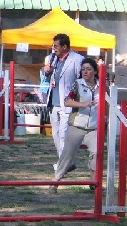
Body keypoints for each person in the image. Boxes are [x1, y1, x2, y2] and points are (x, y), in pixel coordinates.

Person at [49, 57, 100, 193]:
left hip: (94, 128)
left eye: (89, 69)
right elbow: (67, 101)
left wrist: (105, 117)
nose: (85, 72)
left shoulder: (102, 86)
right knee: (67, 155)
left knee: (96, 153)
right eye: (83, 69)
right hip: (76, 126)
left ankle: (94, 182)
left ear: (95, 71)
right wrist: (82, 104)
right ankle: (55, 182)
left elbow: (106, 103)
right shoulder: (77, 84)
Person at [45, 33, 84, 170]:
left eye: (56, 46)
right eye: (53, 45)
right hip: (53, 102)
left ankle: (64, 164)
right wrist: (46, 71)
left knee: (63, 134)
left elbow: (82, 80)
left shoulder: (78, 60)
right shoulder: (52, 58)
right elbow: (48, 77)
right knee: (56, 135)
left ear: (65, 46)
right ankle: (67, 163)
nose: (53, 48)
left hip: (67, 102)